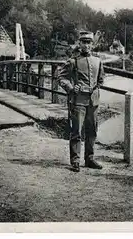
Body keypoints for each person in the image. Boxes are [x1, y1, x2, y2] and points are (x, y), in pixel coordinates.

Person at [57, 31, 105, 172]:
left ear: (92, 44)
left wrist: (96, 88)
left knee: (92, 131)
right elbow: (61, 78)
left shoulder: (98, 61)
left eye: (89, 42)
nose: (86, 45)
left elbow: (101, 79)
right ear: (79, 43)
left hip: (93, 102)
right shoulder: (73, 61)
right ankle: (75, 160)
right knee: (76, 131)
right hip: (78, 101)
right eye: (83, 42)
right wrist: (71, 88)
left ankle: (89, 159)